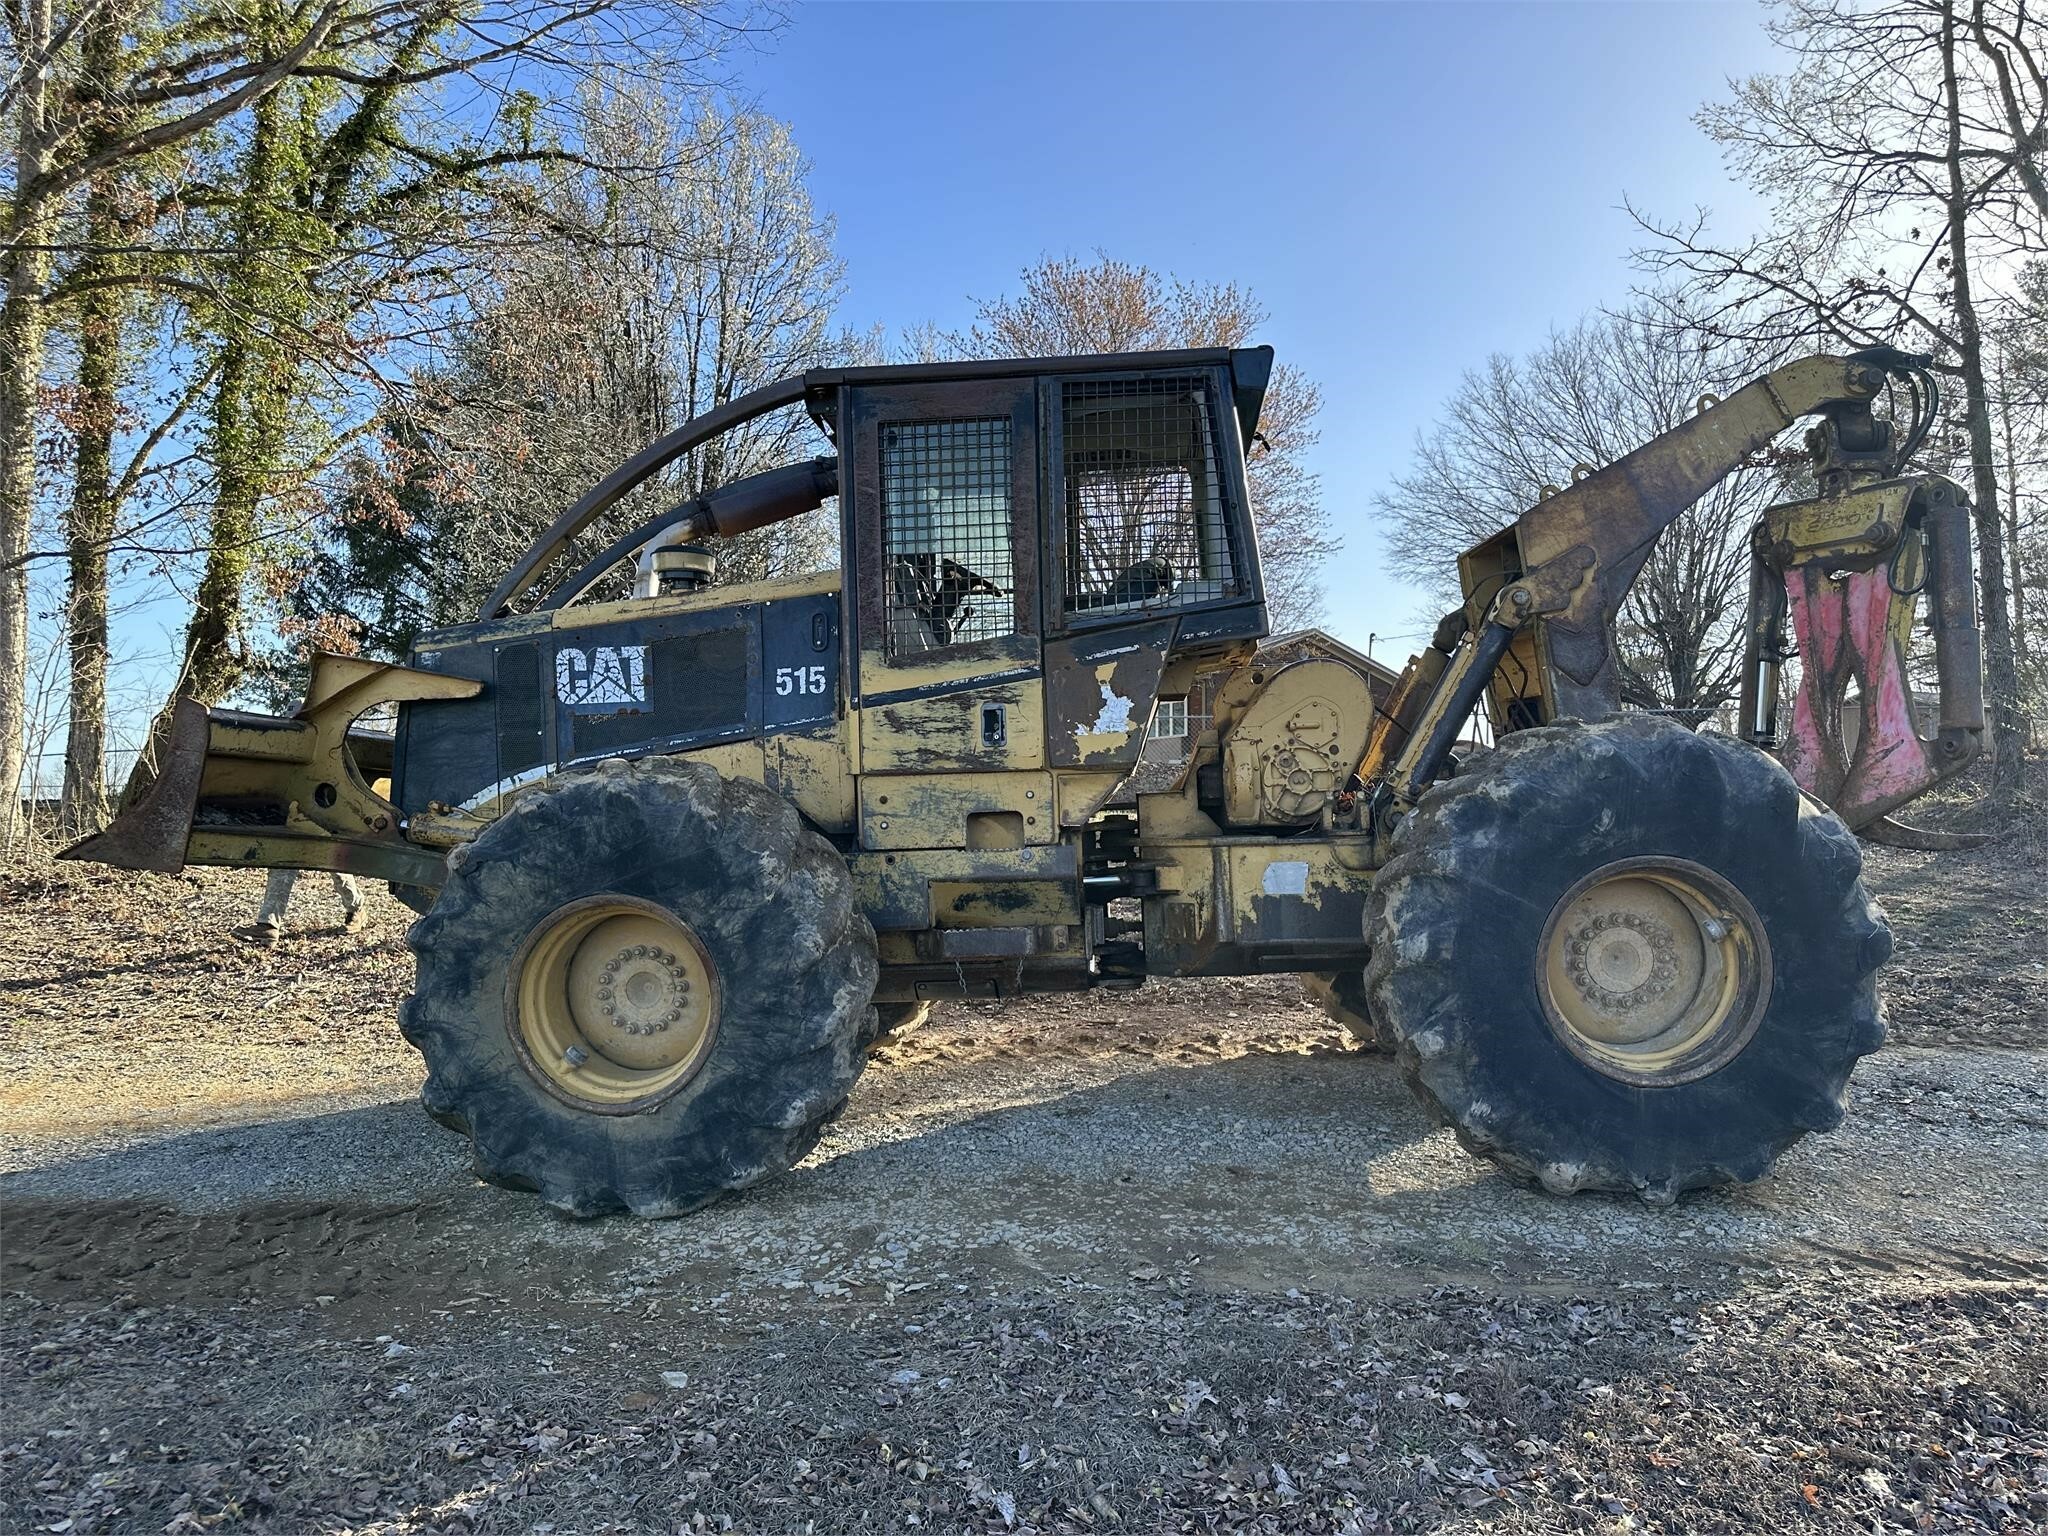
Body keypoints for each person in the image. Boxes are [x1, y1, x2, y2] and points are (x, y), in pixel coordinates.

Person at [234, 868, 368, 946]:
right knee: (284, 862)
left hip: (328, 825)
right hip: (297, 823)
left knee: (335, 863)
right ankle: (269, 925)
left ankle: (356, 909)